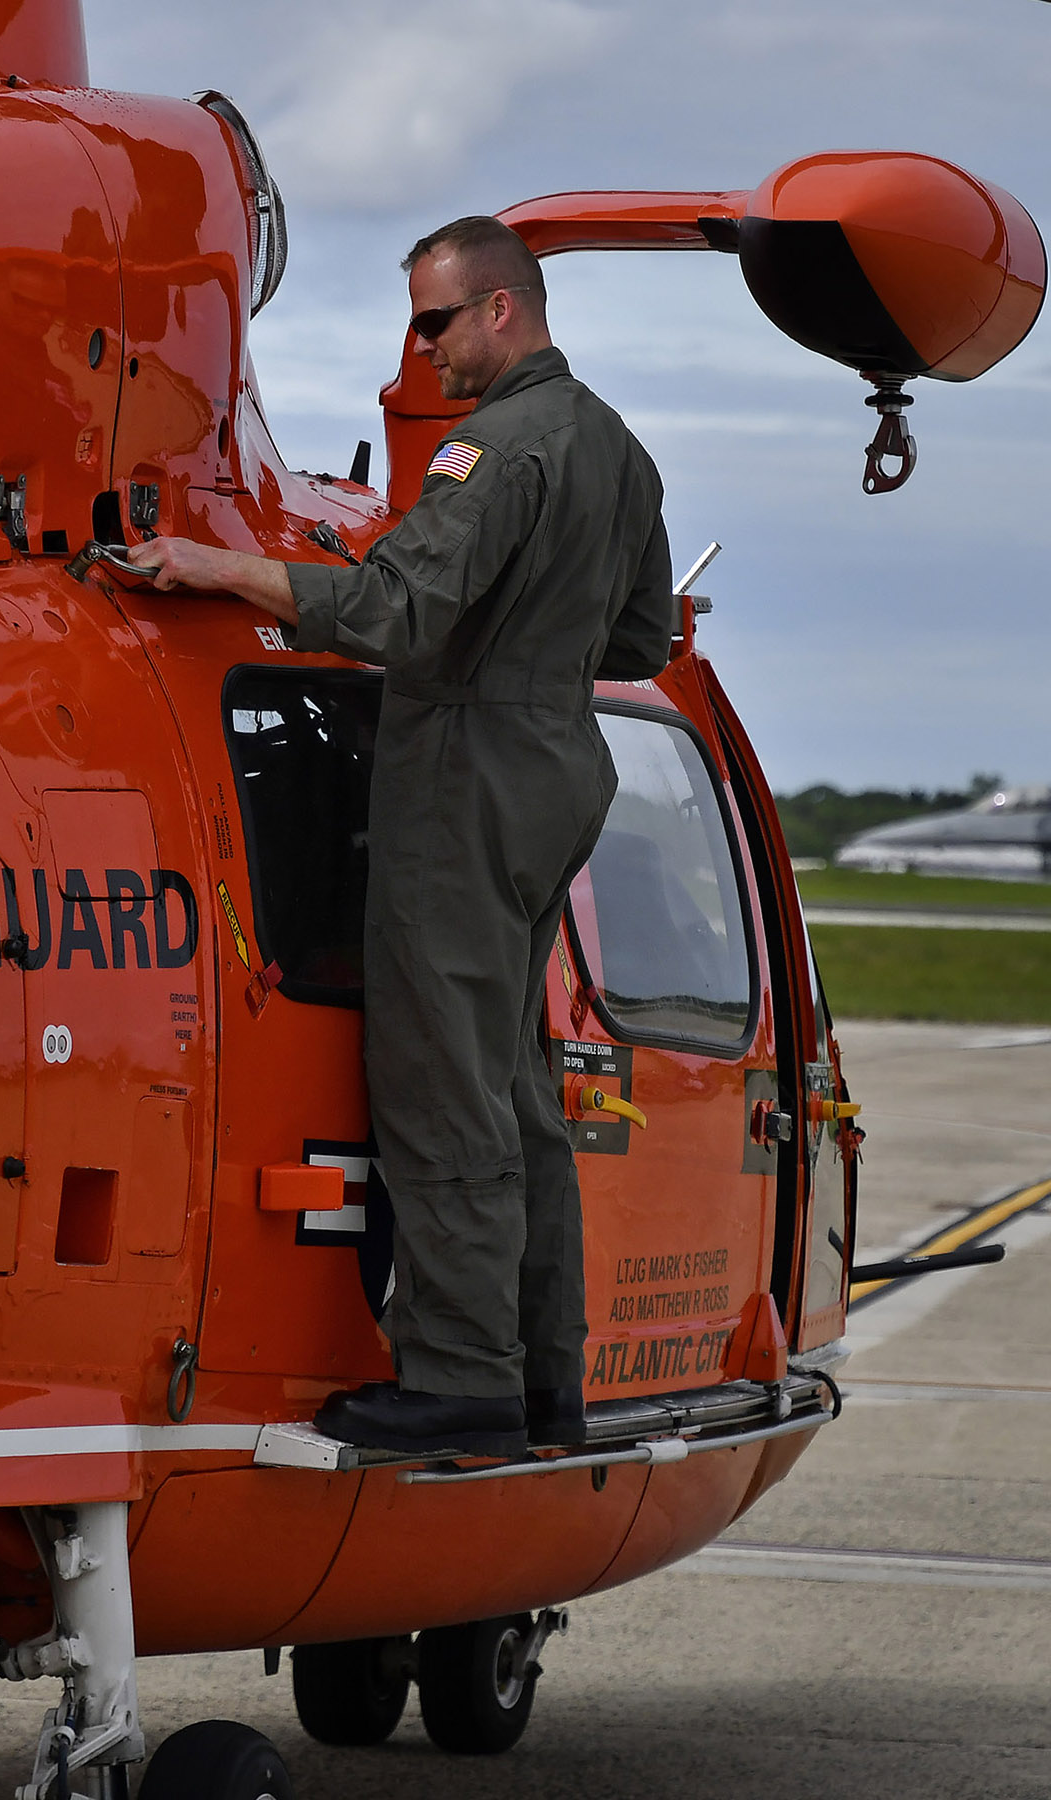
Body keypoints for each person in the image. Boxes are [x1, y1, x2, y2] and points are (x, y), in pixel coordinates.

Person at [126, 215, 678, 1459]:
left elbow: (396, 612)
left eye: (435, 322)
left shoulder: (491, 451)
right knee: (518, 1090)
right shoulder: (614, 448)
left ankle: (460, 1377)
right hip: (556, 773)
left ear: (502, 311)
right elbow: (641, 641)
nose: (418, 349)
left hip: (465, 780)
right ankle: (546, 1380)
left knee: (440, 1088)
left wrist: (226, 572)